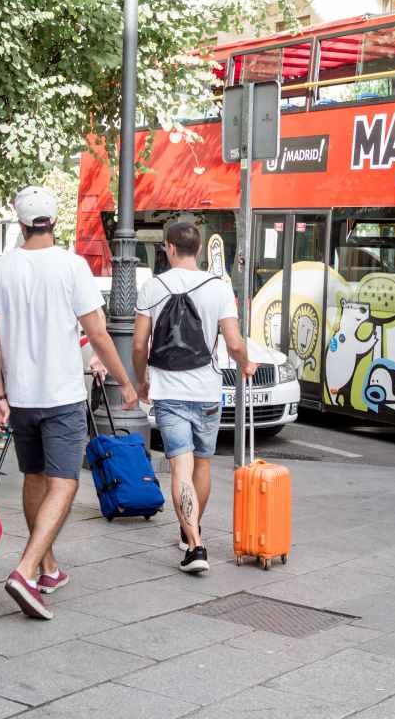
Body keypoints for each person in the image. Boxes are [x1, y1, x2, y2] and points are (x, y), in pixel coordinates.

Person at [0, 186, 137, 620]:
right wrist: (125, 381)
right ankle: (26, 569)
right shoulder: (73, 266)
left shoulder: (1, 269)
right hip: (63, 395)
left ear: (20, 223)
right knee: (65, 482)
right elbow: (99, 334)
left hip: (22, 396)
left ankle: (48, 567)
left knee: (34, 477)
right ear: (54, 222)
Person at [132, 221, 257, 573]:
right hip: (207, 392)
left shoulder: (153, 287)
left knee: (180, 469)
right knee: (202, 465)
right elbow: (233, 344)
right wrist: (246, 363)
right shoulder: (218, 288)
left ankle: (196, 547)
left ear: (169, 248)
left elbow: (140, 344)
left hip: (169, 391)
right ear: (198, 250)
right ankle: (192, 532)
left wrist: (142, 380)